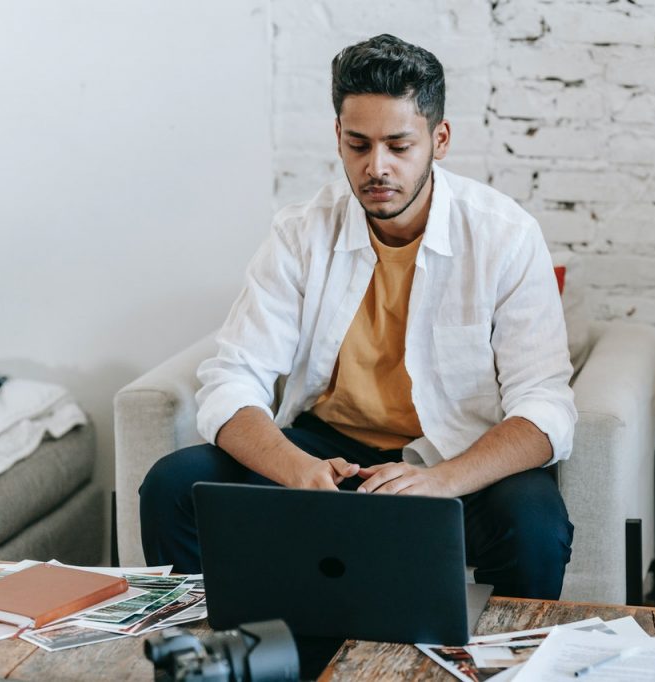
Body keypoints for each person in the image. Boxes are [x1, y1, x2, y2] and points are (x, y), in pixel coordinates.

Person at [140, 33, 576, 601]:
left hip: (453, 461)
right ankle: (230, 654)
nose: (377, 167)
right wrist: (299, 471)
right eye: (359, 145)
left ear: (439, 140)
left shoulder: (504, 235)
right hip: (331, 457)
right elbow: (231, 381)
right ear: (339, 140)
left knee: (536, 524)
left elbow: (545, 406)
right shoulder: (300, 233)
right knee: (174, 486)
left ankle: (500, 664)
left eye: (399, 145)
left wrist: (440, 482)